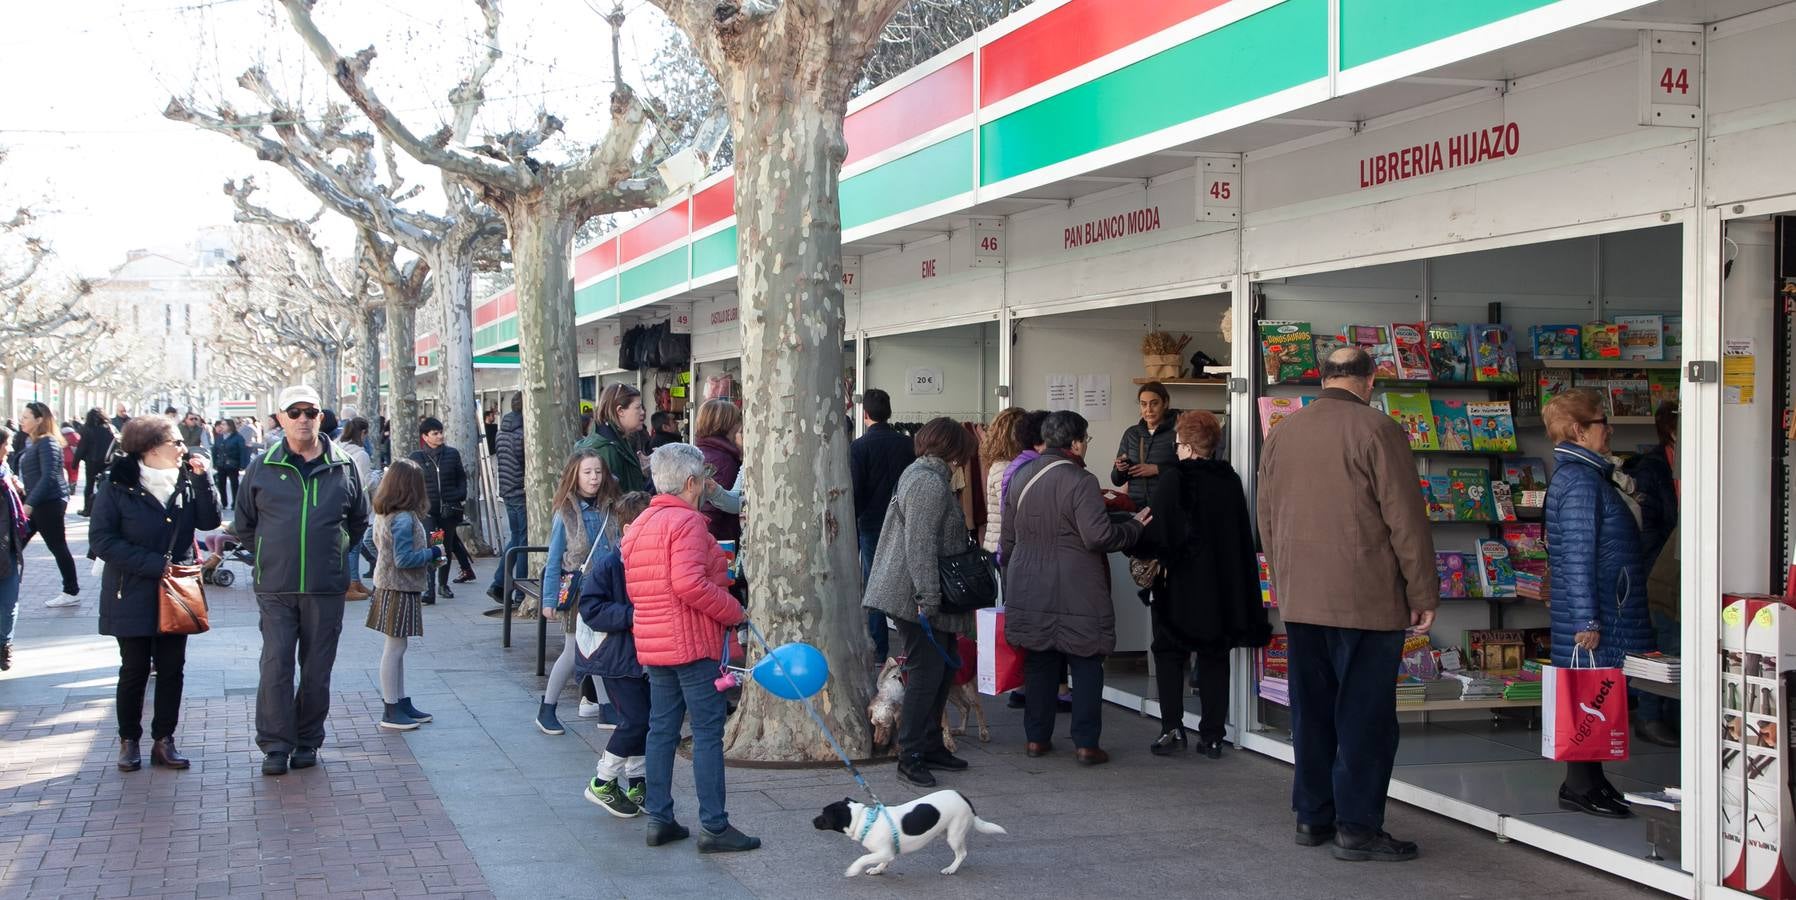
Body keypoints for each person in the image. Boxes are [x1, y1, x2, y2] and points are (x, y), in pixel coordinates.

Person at [1257, 346, 1436, 862]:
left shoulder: (1285, 432)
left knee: (1311, 711)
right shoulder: (1378, 430)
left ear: (1325, 379)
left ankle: (1312, 817)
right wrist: (1422, 592)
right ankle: (1357, 827)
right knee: (1366, 717)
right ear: (1369, 379)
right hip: (1367, 599)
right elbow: (1405, 519)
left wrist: (1285, 579)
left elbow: (1266, 517)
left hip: (1301, 598)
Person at [625, 442, 758, 853]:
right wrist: (734, 610)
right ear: (690, 482)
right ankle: (714, 825)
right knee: (706, 732)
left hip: (655, 640)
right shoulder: (687, 524)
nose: (705, 486)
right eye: (703, 479)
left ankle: (660, 817)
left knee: (662, 729)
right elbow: (687, 583)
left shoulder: (642, 523)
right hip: (691, 640)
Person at [236, 384, 371, 777]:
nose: (302, 419)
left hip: (325, 586)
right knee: (276, 664)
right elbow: (244, 523)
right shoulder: (263, 466)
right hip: (276, 586)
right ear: (280, 419)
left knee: (317, 668)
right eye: (293, 412)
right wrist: (266, 554)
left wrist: (335, 547)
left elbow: (357, 521)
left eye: (309, 411)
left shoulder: (343, 464)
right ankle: (276, 745)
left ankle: (308, 740)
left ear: (320, 417)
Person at [1002, 411, 1149, 767]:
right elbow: (1098, 536)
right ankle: (1086, 744)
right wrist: (1134, 527)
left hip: (1029, 582)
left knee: (1039, 661)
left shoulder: (1021, 475)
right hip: (1076, 584)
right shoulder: (1080, 480)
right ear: (1077, 442)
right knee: (1086, 662)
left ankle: (1036, 739)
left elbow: (1007, 542)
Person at [1543, 388, 1652, 818]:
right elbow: (1577, 554)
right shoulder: (1582, 481)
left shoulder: (1588, 477)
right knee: (1591, 691)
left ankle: (1593, 781)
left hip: (1608, 604)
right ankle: (1579, 785)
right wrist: (1587, 618)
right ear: (1579, 430)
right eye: (1601, 421)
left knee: (1598, 693)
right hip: (1600, 609)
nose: (1608, 428)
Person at [1137, 410, 1269, 758]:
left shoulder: (1174, 479)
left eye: (1178, 441)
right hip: (1219, 583)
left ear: (1187, 444)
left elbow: (1159, 532)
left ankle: (1172, 727)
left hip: (1178, 581)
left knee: (1168, 651)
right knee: (1214, 654)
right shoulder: (1229, 480)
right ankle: (1211, 734)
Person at [91, 415, 220, 771]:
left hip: (177, 589)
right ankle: (129, 740)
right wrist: (151, 564)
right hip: (129, 588)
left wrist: (204, 477)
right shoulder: (117, 484)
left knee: (172, 667)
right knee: (133, 668)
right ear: (150, 448)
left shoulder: (186, 480)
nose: (183, 449)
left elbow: (209, 521)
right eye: (175, 442)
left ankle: (164, 740)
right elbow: (102, 540)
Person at [863, 418, 982, 788]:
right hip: (917, 596)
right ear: (952, 449)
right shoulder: (927, 482)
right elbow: (919, 545)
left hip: (921, 594)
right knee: (927, 674)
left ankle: (929, 744)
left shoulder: (925, 476)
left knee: (942, 670)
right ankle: (910, 753)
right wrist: (927, 598)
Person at [577, 491, 655, 818]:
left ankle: (636, 779)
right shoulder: (609, 566)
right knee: (635, 719)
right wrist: (629, 616)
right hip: (615, 657)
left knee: (645, 718)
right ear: (628, 530)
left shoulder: (646, 561)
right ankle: (603, 780)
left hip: (641, 656)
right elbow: (590, 608)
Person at [537, 449, 622, 736]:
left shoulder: (611, 508)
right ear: (575, 475)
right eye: (587, 472)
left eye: (598, 471)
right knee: (574, 651)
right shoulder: (565, 513)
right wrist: (548, 601)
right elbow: (553, 560)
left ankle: (607, 707)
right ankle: (547, 708)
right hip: (580, 594)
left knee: (597, 648)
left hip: (606, 592)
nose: (594, 478)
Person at [365, 458, 443, 731]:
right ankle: (391, 707)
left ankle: (399, 701)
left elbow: (371, 543)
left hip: (393, 585)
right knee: (395, 648)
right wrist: (432, 553)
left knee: (398, 647)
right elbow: (404, 558)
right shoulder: (403, 517)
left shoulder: (386, 513)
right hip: (398, 587)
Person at [850, 388, 914, 662]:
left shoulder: (860, 447)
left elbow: (856, 489)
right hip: (903, 521)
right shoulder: (907, 445)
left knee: (875, 585)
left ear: (864, 414)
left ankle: (880, 647)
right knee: (905, 581)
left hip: (872, 522)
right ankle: (910, 643)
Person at [18, 402, 80, 608]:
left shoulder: (48, 442)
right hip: (37, 502)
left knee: (57, 545)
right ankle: (8, 585)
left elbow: (49, 477)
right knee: (15, 544)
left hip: (48, 503)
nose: (22, 420)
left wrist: (30, 504)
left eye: (26, 417)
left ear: (39, 420)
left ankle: (71, 591)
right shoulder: (31, 442)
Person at [409, 417, 475, 596]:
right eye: (435, 433)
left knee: (445, 546)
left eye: (440, 432)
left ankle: (443, 584)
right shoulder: (416, 457)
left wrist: (459, 495)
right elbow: (411, 482)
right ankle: (429, 588)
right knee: (432, 546)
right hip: (428, 511)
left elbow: (461, 477)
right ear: (425, 436)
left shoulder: (452, 454)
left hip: (449, 510)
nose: (440, 436)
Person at [1110, 382, 1181, 507]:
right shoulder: (1131, 434)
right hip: (1136, 509)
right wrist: (1120, 469)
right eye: (1143, 404)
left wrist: (1157, 469)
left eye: (1154, 403)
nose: (1148, 410)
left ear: (1165, 403)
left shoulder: (1178, 432)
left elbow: (1190, 471)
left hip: (1168, 507)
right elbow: (1117, 481)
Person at [488, 394, 528, 606]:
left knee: (516, 539)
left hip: (506, 490)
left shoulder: (502, 432)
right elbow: (526, 463)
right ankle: (521, 591)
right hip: (521, 491)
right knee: (523, 543)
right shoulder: (522, 434)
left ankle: (499, 584)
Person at [577, 384, 650, 494]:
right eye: (638, 407)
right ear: (620, 411)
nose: (643, 412)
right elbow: (611, 499)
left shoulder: (617, 440)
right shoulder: (607, 449)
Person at [693, 399, 743, 543]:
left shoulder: (699, 453)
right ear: (730, 426)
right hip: (719, 541)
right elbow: (712, 510)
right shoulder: (723, 459)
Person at [979, 407, 1026, 554]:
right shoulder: (1004, 467)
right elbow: (1008, 510)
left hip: (1000, 545)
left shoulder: (1002, 464)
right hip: (1002, 549)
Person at [0, 426, 23, 672]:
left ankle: (4, 645)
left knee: (9, 603)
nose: (11, 449)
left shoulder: (6, 472)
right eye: (7, 443)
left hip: (8, 548)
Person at [212, 418, 248, 509]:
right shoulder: (219, 437)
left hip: (233, 464)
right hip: (221, 464)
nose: (222, 426)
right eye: (221, 424)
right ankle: (223, 503)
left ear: (230, 426)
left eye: (224, 424)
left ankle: (235, 503)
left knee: (234, 484)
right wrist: (215, 462)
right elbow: (215, 450)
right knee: (221, 484)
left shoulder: (238, 437)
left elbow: (243, 451)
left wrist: (243, 465)